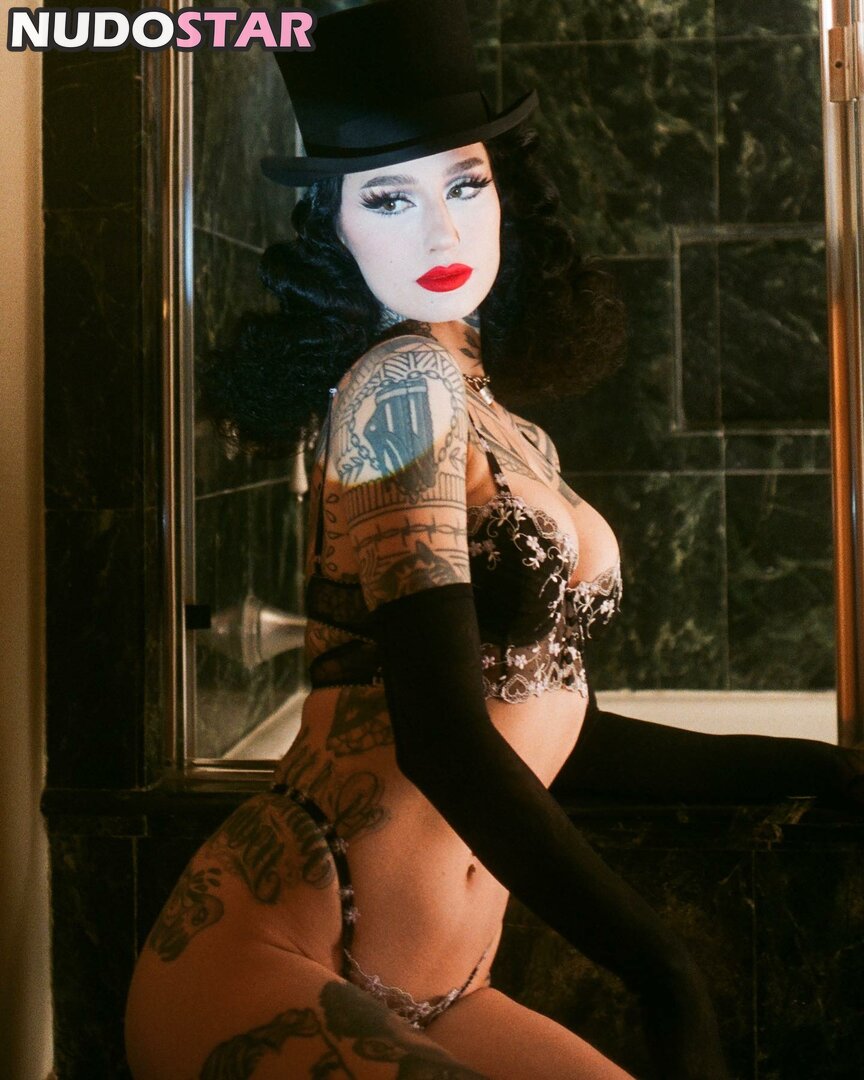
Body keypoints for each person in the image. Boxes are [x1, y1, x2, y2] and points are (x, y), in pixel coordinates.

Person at [125, 2, 863, 1077]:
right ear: (335, 229)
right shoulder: (397, 387)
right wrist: (663, 971)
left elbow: (556, 728)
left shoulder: (505, 425)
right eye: (388, 197)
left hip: (443, 989)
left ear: (505, 192)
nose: (440, 231)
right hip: (273, 961)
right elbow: (443, 739)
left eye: (464, 183)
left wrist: (816, 770)